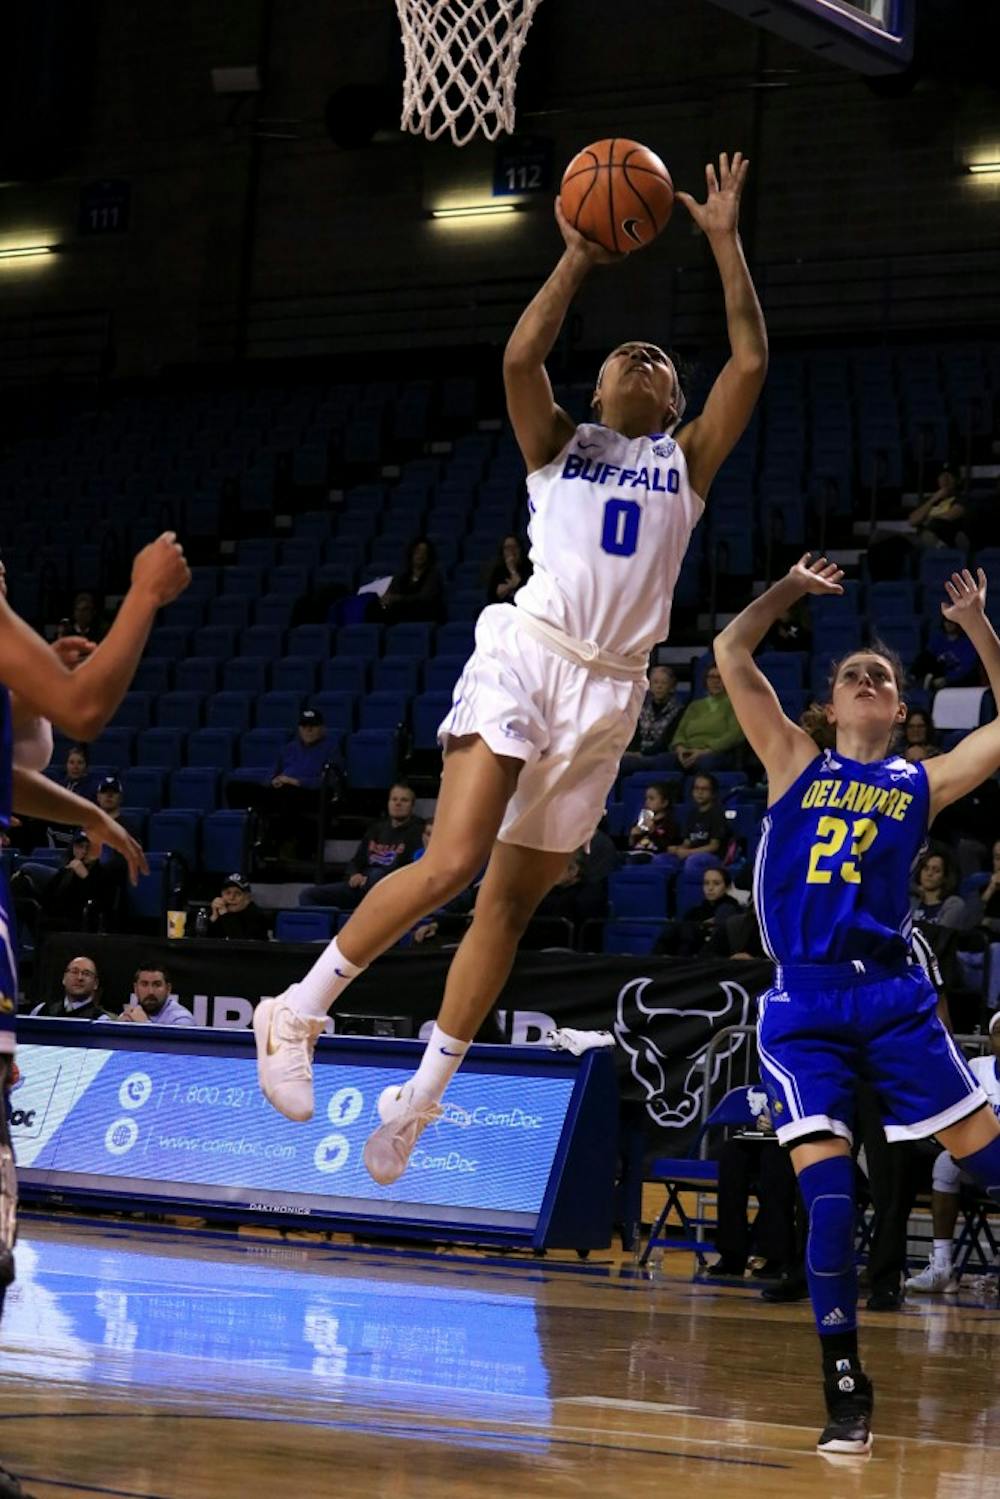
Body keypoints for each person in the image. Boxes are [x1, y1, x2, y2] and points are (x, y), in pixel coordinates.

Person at [254, 150, 767, 1189]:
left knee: (508, 904)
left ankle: (419, 1098)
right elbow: (517, 361)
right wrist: (575, 259)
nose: (643, 357)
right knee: (451, 863)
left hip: (611, 690)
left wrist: (721, 239)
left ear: (669, 401)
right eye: (626, 353)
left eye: (660, 359)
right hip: (528, 653)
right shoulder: (557, 443)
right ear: (596, 388)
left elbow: (749, 362)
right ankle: (296, 1008)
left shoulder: (686, 461)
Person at [714, 555, 1000, 1456]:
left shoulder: (922, 782)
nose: (870, 677)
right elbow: (730, 647)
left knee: (990, 1163)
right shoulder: (791, 758)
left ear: (900, 707)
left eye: (883, 674)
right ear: (831, 706)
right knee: (831, 1203)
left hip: (893, 996)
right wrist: (791, 592)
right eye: (852, 673)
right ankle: (846, 1388)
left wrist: (982, 632)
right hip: (805, 1001)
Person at [905, 1009, 1000, 1294]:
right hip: (978, 1161)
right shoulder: (978, 1067)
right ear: (990, 1039)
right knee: (945, 1162)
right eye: (998, 1033)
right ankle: (943, 1266)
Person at [227, 708, 338, 859]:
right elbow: (271, 774)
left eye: (313, 726)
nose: (308, 730)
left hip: (311, 794)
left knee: (287, 793)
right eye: (304, 726)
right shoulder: (289, 748)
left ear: (322, 728)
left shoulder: (331, 749)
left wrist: (296, 782)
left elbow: (330, 782)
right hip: (282, 791)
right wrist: (274, 781)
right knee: (235, 788)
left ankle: (273, 840)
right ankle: (248, 837)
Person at [299, 784, 424, 910]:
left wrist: (372, 879)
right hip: (362, 886)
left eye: (404, 800)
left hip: (391, 891)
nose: (398, 803)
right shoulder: (377, 828)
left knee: (376, 874)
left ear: (412, 806)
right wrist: (354, 874)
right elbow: (357, 860)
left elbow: (411, 869)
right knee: (308, 895)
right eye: (394, 799)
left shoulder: (419, 832)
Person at [661, 662, 745, 771]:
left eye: (720, 677)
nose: (715, 681)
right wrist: (680, 749)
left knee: (702, 764)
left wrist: (705, 751)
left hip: (715, 753)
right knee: (660, 762)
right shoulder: (695, 705)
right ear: (705, 681)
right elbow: (679, 734)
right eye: (711, 677)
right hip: (687, 752)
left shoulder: (735, 704)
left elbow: (735, 735)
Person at [654, 863, 742, 957]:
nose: (710, 888)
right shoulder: (695, 911)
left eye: (716, 883)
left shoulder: (731, 909)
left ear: (727, 887)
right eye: (706, 883)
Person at [619, 664, 686, 773]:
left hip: (662, 753)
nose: (659, 686)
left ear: (672, 686)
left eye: (664, 683)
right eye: (655, 682)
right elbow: (635, 734)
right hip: (638, 753)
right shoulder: (641, 707)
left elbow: (668, 739)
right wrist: (633, 751)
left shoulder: (679, 709)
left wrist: (642, 753)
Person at [374, 538, 444, 624]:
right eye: (418, 550)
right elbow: (392, 591)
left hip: (424, 612)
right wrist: (387, 599)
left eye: (425, 552)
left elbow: (424, 598)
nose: (421, 554)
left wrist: (398, 598)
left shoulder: (433, 575)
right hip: (403, 610)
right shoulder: (403, 575)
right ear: (411, 553)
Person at [666, 772, 729, 864]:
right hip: (692, 853)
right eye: (696, 788)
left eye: (704, 789)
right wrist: (678, 849)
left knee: (692, 861)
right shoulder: (692, 814)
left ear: (713, 793)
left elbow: (714, 846)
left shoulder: (717, 814)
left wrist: (688, 852)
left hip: (712, 856)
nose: (700, 792)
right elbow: (687, 842)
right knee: (662, 859)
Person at [27, 955, 109, 1020]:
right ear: (64, 979)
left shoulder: (101, 1020)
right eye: (74, 972)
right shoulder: (41, 1011)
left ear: (96, 983)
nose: (79, 978)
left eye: (86, 973)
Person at [907, 467, 966, 550]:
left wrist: (927, 519)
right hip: (920, 538)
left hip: (942, 538)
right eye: (942, 475)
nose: (945, 479)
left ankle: (944, 551)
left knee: (927, 536)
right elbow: (912, 521)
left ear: (957, 480)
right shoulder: (929, 500)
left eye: (949, 475)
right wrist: (933, 499)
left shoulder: (961, 499)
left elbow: (949, 516)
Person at [119, 963, 195, 1026]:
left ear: (168, 989)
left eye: (157, 985)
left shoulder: (182, 1019)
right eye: (144, 984)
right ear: (135, 989)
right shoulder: (131, 1015)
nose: (150, 992)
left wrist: (144, 1025)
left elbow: (171, 1044)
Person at [200, 875, 270, 941]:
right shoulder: (217, 911)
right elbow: (194, 938)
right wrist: (213, 918)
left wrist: (225, 915)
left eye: (237, 893)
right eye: (228, 893)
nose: (231, 898)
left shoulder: (257, 916)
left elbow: (241, 943)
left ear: (248, 897)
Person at [910, 849, 967, 930]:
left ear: (945, 877)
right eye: (926, 868)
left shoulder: (954, 904)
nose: (929, 874)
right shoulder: (911, 900)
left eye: (936, 870)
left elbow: (941, 938)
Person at [627, 781, 679, 856]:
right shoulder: (642, 821)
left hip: (654, 855)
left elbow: (665, 846)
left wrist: (652, 831)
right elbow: (632, 845)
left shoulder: (669, 824)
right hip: (636, 853)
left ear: (664, 803)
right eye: (646, 798)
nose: (647, 802)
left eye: (651, 799)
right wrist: (632, 836)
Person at [485, 534, 532, 605]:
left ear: (520, 549)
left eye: (515, 547)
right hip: (502, 610)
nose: (511, 551)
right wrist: (511, 586)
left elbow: (527, 591)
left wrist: (513, 571)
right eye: (507, 547)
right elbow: (494, 595)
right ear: (502, 552)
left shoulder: (529, 567)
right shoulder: (498, 571)